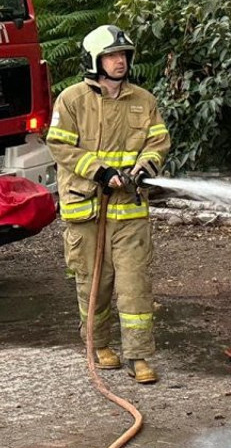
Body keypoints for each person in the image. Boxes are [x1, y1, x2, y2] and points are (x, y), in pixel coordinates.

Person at [44, 24, 170, 383]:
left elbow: (158, 142)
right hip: (87, 210)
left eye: (123, 55)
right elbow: (60, 145)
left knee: (135, 284)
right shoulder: (71, 100)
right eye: (112, 56)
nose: (119, 62)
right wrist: (99, 172)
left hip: (129, 210)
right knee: (93, 284)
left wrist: (146, 167)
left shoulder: (144, 101)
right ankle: (98, 345)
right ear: (94, 61)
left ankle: (139, 355)